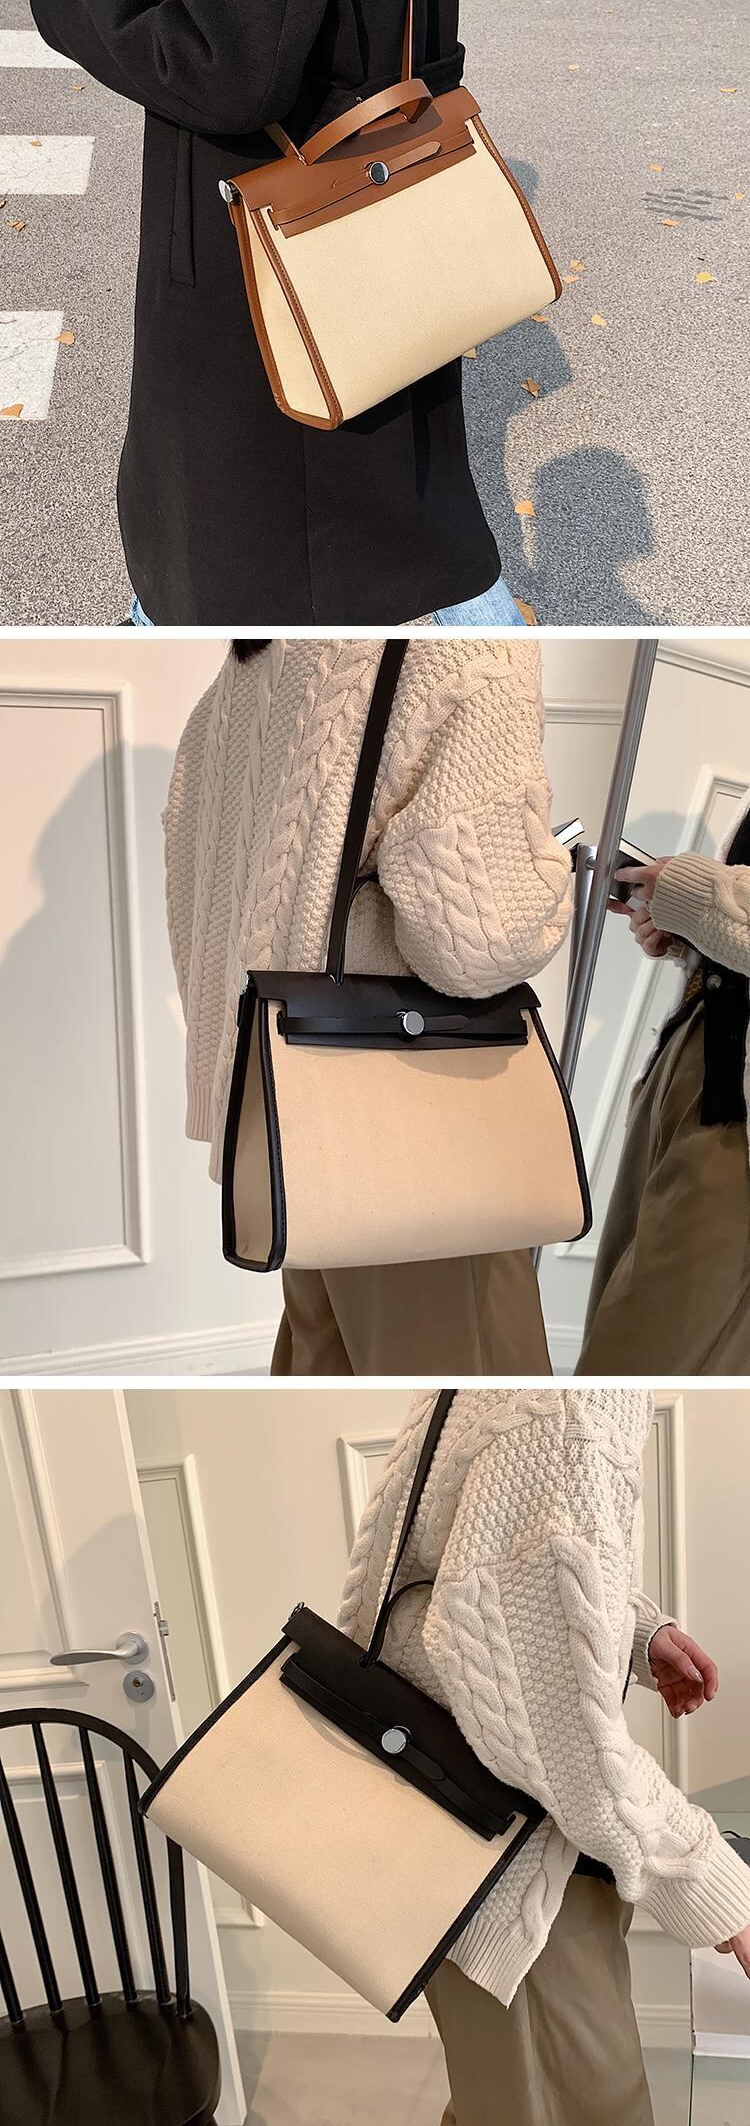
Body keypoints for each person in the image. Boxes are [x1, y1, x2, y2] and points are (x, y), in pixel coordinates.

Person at [30, 0, 517, 630]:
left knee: (225, 536)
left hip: (266, 229)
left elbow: (227, 72)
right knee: (406, 512)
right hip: (387, 191)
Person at [338, 1387, 750, 2126]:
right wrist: (712, 1882)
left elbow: (456, 1583)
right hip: (515, 1875)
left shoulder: (494, 1390)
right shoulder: (572, 1410)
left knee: (499, 2100)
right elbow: (560, 1741)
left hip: (452, 1840)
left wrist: (630, 1629)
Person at [164, 635, 573, 1375]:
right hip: (421, 1143)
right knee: (476, 1382)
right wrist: (554, 872)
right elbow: (486, 939)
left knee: (328, 1364)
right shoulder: (464, 652)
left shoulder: (233, 686)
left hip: (293, 1119)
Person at [577, 791, 750, 1375]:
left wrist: (695, 895)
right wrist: (690, 941)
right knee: (620, 1315)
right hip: (696, 1064)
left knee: (645, 1344)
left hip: (730, 1112)